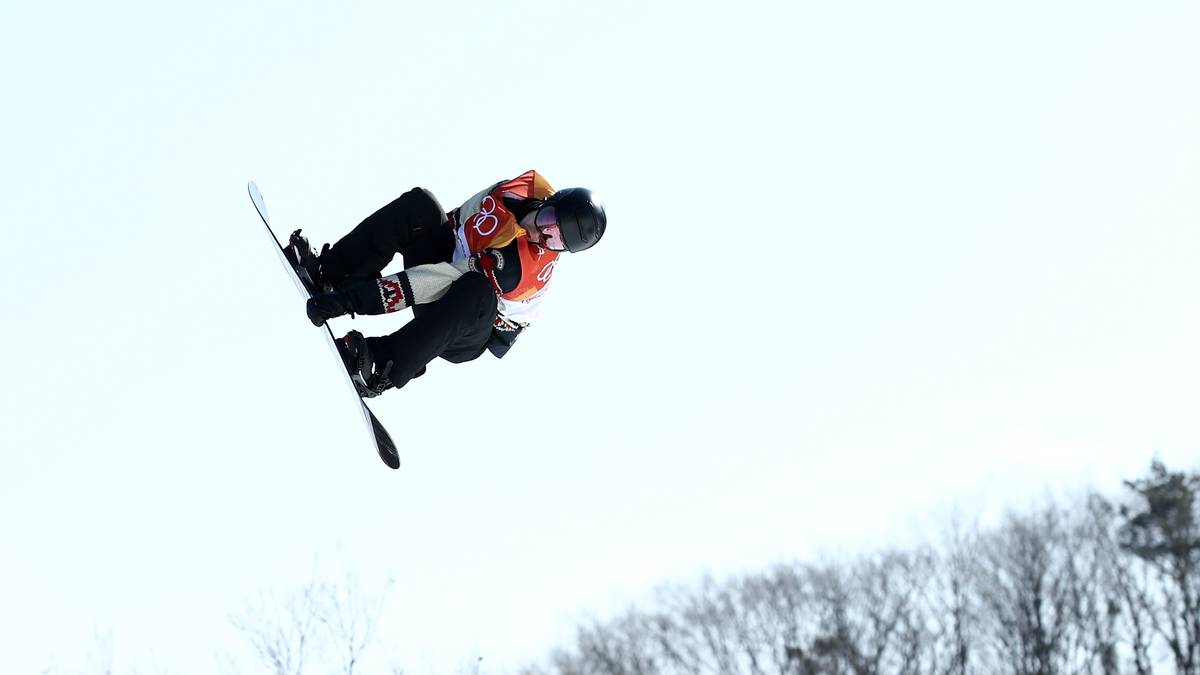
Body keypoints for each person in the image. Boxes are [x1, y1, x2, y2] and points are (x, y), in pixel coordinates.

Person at [282, 170, 606, 397]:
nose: (544, 236)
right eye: (550, 222)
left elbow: (428, 283)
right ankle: (331, 274)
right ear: (551, 200)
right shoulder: (524, 188)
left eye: (557, 242)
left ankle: (382, 363)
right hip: (449, 263)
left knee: (477, 290)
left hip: (466, 326)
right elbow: (462, 219)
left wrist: (351, 302)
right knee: (421, 206)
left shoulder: (520, 269)